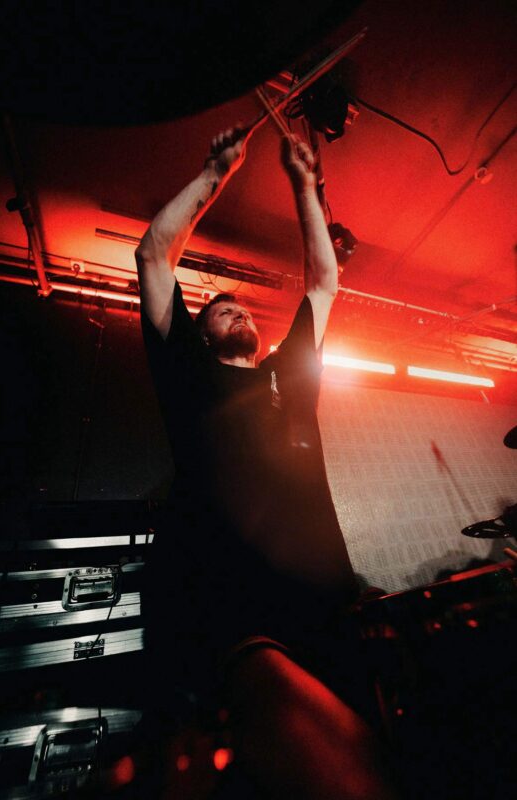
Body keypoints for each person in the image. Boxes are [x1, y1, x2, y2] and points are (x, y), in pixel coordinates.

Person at [136, 127, 397, 799]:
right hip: (240, 622)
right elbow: (154, 256)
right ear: (200, 332)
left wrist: (305, 186)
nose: (236, 309)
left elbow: (322, 282)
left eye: (241, 305)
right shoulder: (188, 375)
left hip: (329, 608)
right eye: (222, 309)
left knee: (374, 758)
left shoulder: (288, 374)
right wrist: (214, 173)